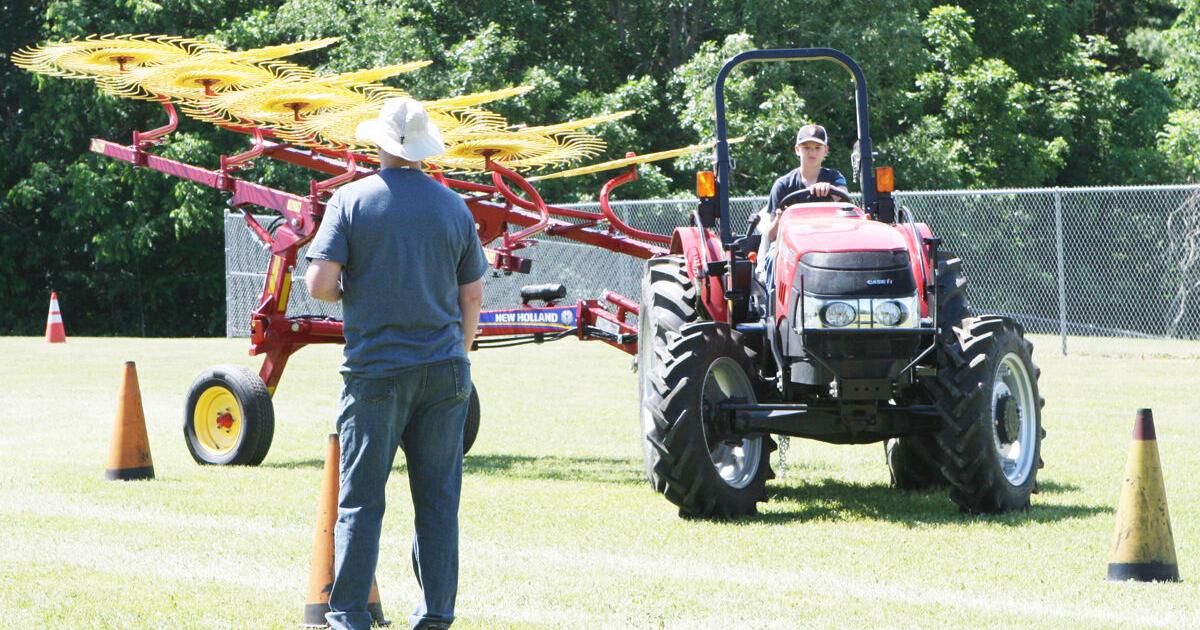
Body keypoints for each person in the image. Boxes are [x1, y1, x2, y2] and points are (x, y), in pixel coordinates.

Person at [305, 96, 488, 630]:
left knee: (361, 502)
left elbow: (319, 284)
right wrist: (460, 352)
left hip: (376, 370)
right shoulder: (454, 207)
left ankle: (348, 616)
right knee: (438, 501)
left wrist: (356, 288)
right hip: (445, 369)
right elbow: (472, 294)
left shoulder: (350, 200)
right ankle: (435, 614)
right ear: (424, 149)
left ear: (378, 145)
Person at [755, 123, 851, 284]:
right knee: (772, 258)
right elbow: (771, 235)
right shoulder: (783, 185)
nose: (812, 152)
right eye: (806, 147)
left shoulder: (834, 178)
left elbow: (845, 198)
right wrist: (779, 218)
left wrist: (831, 189)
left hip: (829, 244)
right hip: (791, 248)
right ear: (797, 150)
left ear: (825, 151)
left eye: (817, 148)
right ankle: (774, 298)